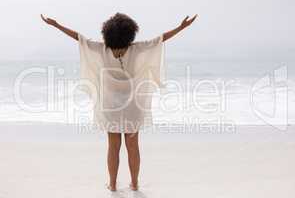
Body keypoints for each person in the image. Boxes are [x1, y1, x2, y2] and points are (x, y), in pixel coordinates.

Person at [41, 12, 197, 191]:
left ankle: (113, 184)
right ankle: (135, 183)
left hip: (110, 107)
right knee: (133, 146)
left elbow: (78, 38)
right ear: (130, 33)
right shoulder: (137, 48)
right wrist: (181, 27)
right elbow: (161, 39)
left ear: (107, 34)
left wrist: (56, 25)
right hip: (133, 106)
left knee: (113, 147)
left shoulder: (101, 49)